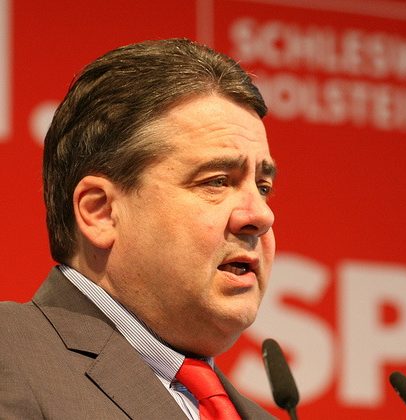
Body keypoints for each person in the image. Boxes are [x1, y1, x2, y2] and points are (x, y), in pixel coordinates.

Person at [0, 38, 277, 419]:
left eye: (263, 187)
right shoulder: (12, 358)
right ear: (101, 212)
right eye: (217, 181)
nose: (261, 216)